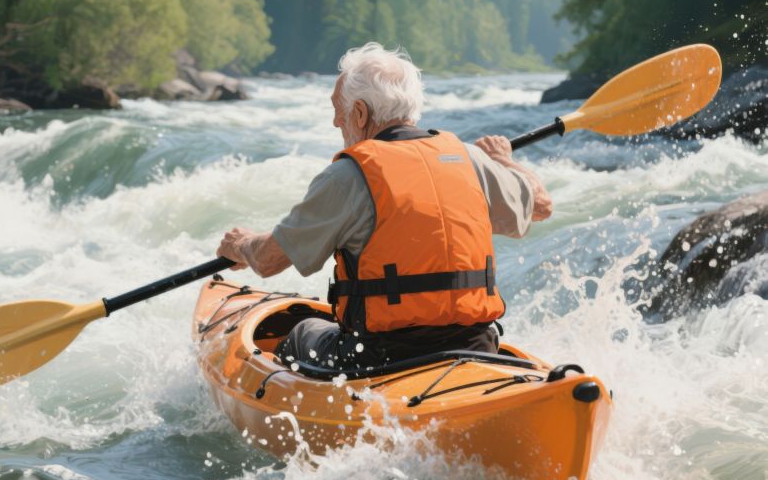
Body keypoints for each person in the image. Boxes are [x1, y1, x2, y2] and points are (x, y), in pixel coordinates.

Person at [217, 43, 552, 370]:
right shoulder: (470, 158)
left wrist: (241, 245)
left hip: (378, 357)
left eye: (339, 110)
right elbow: (540, 205)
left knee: (302, 332)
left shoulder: (348, 176)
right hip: (476, 344)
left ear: (360, 113)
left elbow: (269, 259)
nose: (336, 122)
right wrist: (504, 161)